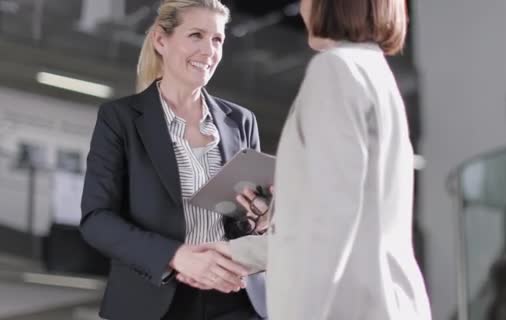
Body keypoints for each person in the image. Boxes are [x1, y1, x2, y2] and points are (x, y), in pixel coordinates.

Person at [227, 0, 433, 319]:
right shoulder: (373, 71)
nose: (303, 7)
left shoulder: (335, 68)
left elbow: (332, 220)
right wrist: (226, 254)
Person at [79, 1, 265, 319]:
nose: (209, 51)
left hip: (233, 297)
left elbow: (248, 217)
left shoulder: (240, 120)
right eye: (196, 35)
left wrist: (262, 217)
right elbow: (97, 219)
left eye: (217, 39)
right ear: (161, 41)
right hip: (153, 300)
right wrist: (176, 256)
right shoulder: (120, 119)